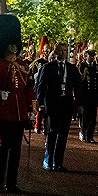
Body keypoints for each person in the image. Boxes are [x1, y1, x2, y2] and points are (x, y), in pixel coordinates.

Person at [0, 13, 34, 193]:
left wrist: (31, 109)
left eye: (15, 43)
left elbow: (29, 89)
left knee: (17, 148)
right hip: (4, 111)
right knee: (5, 145)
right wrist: (0, 94)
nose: (14, 46)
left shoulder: (23, 65)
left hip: (20, 110)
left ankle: (12, 182)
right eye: (11, 43)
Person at [36, 42, 82, 171]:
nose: (63, 53)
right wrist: (40, 104)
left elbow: (78, 88)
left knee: (63, 134)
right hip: (52, 104)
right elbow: (41, 87)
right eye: (60, 51)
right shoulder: (48, 67)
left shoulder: (72, 68)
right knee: (52, 132)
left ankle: (58, 162)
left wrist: (80, 104)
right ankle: (48, 159)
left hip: (66, 104)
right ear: (55, 52)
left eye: (64, 51)